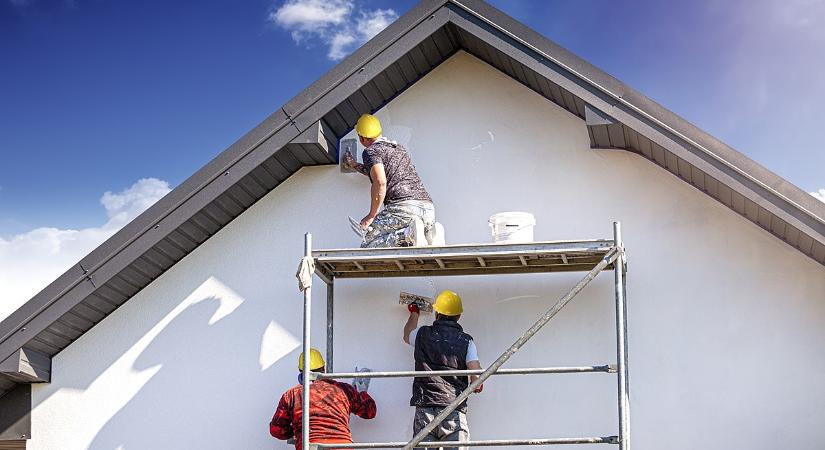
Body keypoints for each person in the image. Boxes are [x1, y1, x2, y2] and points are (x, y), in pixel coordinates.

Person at [402, 290, 483, 450]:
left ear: (437, 313)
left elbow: (407, 335)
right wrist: (477, 383)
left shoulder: (422, 334)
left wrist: (414, 313)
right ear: (458, 316)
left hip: (425, 407)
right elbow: (476, 374)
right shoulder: (466, 341)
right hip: (452, 409)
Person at [343, 113, 435, 248]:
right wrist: (355, 165)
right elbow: (379, 171)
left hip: (404, 208)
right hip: (428, 209)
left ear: (362, 138)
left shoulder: (371, 151)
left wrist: (371, 215)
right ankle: (431, 234)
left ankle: (408, 234)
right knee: (409, 242)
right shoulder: (399, 148)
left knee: (368, 241)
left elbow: (380, 181)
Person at [270, 348, 377, 450]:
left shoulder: (291, 395)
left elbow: (276, 429)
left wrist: (296, 433)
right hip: (341, 447)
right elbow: (370, 412)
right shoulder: (344, 389)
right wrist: (362, 392)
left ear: (300, 371)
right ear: (323, 369)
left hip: (310, 446)